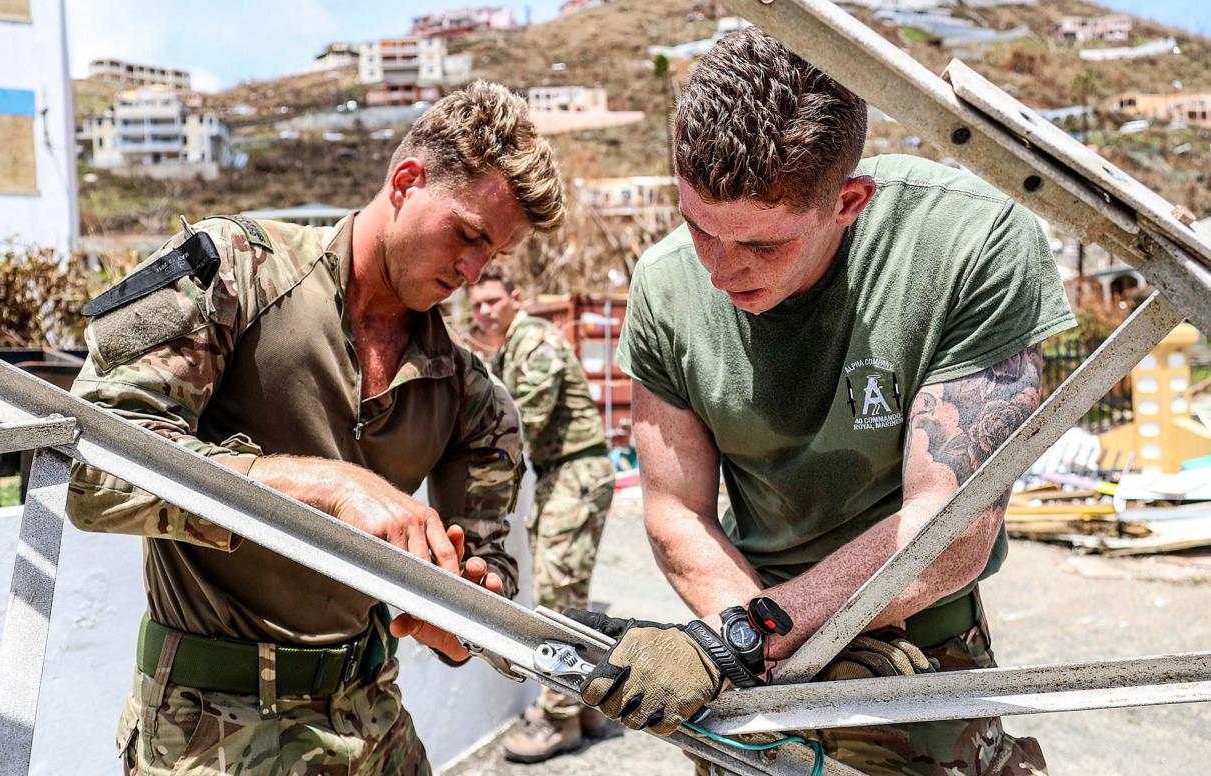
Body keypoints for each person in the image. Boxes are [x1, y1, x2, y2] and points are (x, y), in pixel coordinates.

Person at [564, 27, 1075, 776]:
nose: (718, 270)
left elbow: (951, 528)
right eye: (697, 227)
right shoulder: (664, 285)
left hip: (908, 652)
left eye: (762, 247)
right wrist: (747, 645)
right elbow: (677, 508)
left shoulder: (968, 243)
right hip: (736, 638)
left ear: (850, 201)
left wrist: (755, 637)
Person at [64, 81, 565, 775]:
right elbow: (91, 471)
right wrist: (327, 486)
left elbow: (489, 572)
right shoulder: (233, 271)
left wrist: (469, 614)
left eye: (495, 256)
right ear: (406, 181)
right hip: (212, 736)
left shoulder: (473, 398)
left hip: (378, 729)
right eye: (469, 234)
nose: (473, 270)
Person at [465, 268, 616, 762]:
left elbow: (526, 414)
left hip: (575, 472)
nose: (484, 311)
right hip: (564, 474)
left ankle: (558, 718)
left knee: (558, 600)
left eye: (492, 301)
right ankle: (589, 704)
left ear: (515, 297)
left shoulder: (533, 337)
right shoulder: (512, 346)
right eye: (477, 304)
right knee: (567, 593)